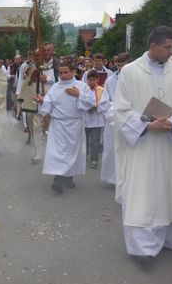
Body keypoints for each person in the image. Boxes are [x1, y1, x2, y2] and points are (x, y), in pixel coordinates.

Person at [114, 26, 172, 263]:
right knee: (142, 195)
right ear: (153, 46)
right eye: (168, 47)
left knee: (167, 192)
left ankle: (169, 239)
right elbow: (121, 108)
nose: (171, 51)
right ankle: (142, 249)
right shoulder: (129, 71)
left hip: (169, 142)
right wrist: (147, 125)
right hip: (143, 146)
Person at [36, 62, 95, 193]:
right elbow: (48, 103)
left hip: (74, 125)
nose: (63, 75)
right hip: (58, 124)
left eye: (66, 72)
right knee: (59, 152)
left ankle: (68, 177)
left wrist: (79, 94)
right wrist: (41, 100)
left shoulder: (81, 86)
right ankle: (58, 179)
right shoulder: (56, 87)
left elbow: (91, 102)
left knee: (72, 153)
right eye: (61, 73)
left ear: (73, 71)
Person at [98, 52, 132, 185]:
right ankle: (113, 179)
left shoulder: (136, 79)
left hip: (131, 122)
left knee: (128, 153)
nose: (121, 68)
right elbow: (104, 103)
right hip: (114, 122)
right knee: (112, 151)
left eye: (124, 65)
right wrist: (118, 110)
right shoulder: (110, 80)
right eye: (118, 65)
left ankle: (127, 179)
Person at [83, 69, 104, 169]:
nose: (91, 81)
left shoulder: (101, 90)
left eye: (93, 79)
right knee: (84, 140)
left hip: (96, 120)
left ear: (98, 80)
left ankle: (94, 159)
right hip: (86, 119)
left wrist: (97, 107)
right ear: (87, 80)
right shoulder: (83, 89)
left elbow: (105, 104)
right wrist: (88, 108)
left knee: (95, 141)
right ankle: (84, 156)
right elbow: (80, 102)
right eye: (89, 79)